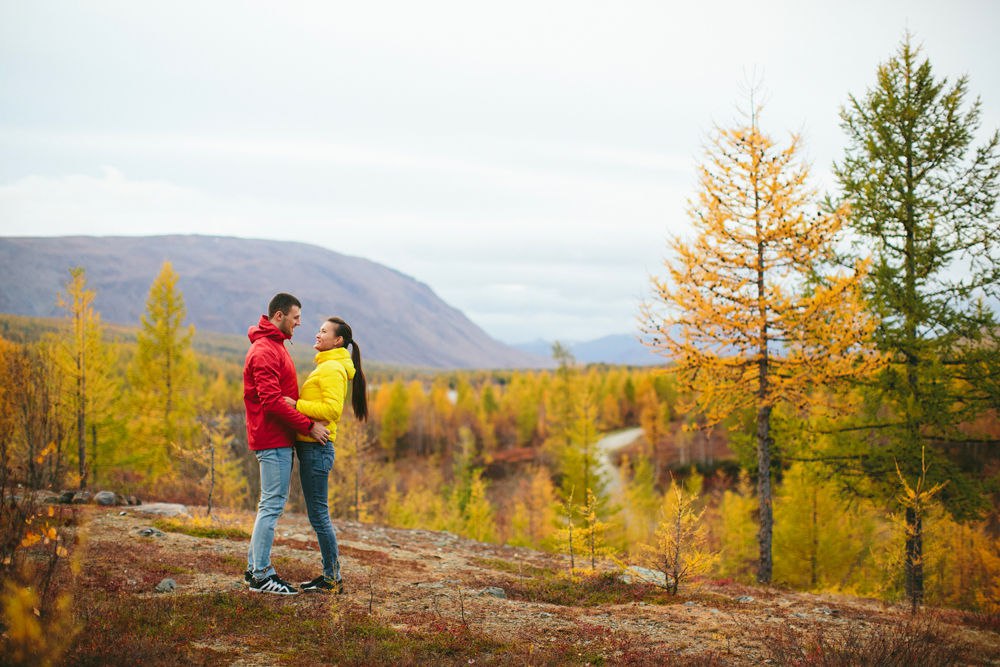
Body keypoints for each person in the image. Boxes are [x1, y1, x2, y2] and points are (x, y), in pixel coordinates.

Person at [243, 293, 330, 595]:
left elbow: (280, 398)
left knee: (268, 504)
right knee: (272, 505)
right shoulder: (265, 350)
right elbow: (271, 403)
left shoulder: (274, 346)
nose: (299, 323)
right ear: (279, 316)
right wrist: (308, 425)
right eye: (295, 318)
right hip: (272, 438)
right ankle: (261, 575)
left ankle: (254, 568)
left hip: (277, 437)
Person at [284, 316, 368, 593]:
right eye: (319, 330)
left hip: (317, 449)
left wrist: (296, 404)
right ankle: (330, 576)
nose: (317, 335)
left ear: (338, 341)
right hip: (312, 447)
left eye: (323, 331)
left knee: (319, 516)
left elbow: (332, 411)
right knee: (318, 515)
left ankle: (332, 578)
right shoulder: (329, 365)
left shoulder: (332, 368)